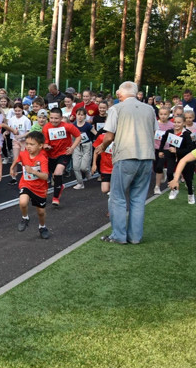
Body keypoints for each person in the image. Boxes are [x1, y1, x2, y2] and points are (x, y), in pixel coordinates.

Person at [94, 81, 158, 245]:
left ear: (119, 94)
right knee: (138, 198)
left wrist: (102, 147)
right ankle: (135, 237)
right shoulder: (149, 109)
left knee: (118, 197)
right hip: (147, 156)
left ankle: (119, 235)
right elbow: (153, 131)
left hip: (126, 156)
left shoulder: (116, 108)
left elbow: (109, 136)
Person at [10, 131, 50, 239]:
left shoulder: (42, 159)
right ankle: (25, 218)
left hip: (39, 188)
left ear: (40, 146)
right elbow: (18, 159)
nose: (28, 146)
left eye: (32, 144)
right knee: (23, 202)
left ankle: (42, 227)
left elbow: (45, 176)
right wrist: (12, 167)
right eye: (27, 143)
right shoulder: (24, 154)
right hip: (26, 184)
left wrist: (33, 172)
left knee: (41, 212)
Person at [42, 107, 81, 206]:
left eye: (56, 118)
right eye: (51, 118)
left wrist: (72, 148)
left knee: (58, 172)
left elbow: (78, 136)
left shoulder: (67, 126)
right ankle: (59, 186)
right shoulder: (46, 127)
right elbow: (45, 143)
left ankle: (55, 198)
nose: (54, 120)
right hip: (51, 155)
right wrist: (46, 146)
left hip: (64, 153)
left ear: (61, 118)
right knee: (51, 176)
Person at [158, 115, 194, 203]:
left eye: (179, 122)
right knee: (170, 172)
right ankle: (174, 189)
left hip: (185, 157)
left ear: (184, 123)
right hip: (171, 156)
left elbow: (189, 149)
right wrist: (161, 150)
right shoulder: (169, 132)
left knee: (188, 178)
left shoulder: (187, 134)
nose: (176, 124)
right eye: (175, 122)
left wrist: (177, 151)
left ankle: (190, 194)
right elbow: (163, 139)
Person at [70, 107, 94, 189]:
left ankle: (87, 171)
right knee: (76, 166)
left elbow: (96, 133)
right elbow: (70, 136)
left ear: (85, 116)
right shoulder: (73, 126)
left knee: (83, 167)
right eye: (78, 115)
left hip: (86, 145)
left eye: (82, 115)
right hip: (76, 146)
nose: (80, 117)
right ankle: (80, 183)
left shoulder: (88, 125)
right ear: (75, 115)